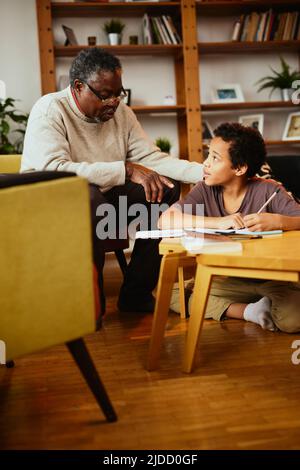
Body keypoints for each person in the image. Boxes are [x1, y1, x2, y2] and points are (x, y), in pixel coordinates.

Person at [21, 48, 203, 313]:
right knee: (90, 197)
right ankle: (89, 306)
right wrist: (126, 170)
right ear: (78, 87)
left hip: (101, 202)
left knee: (163, 190)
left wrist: (207, 173)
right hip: (52, 204)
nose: (114, 102)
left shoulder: (122, 113)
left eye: (119, 93)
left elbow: (152, 158)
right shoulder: (50, 110)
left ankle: (136, 294)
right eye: (105, 95)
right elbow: (54, 169)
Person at [159, 122, 300, 333]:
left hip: (272, 278)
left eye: (215, 158)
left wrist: (278, 221)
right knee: (169, 294)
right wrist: (218, 222)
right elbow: (165, 220)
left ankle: (263, 304)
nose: (205, 164)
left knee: (292, 322)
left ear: (239, 168)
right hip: (229, 278)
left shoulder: (269, 190)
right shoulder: (205, 190)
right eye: (208, 155)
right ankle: (251, 311)